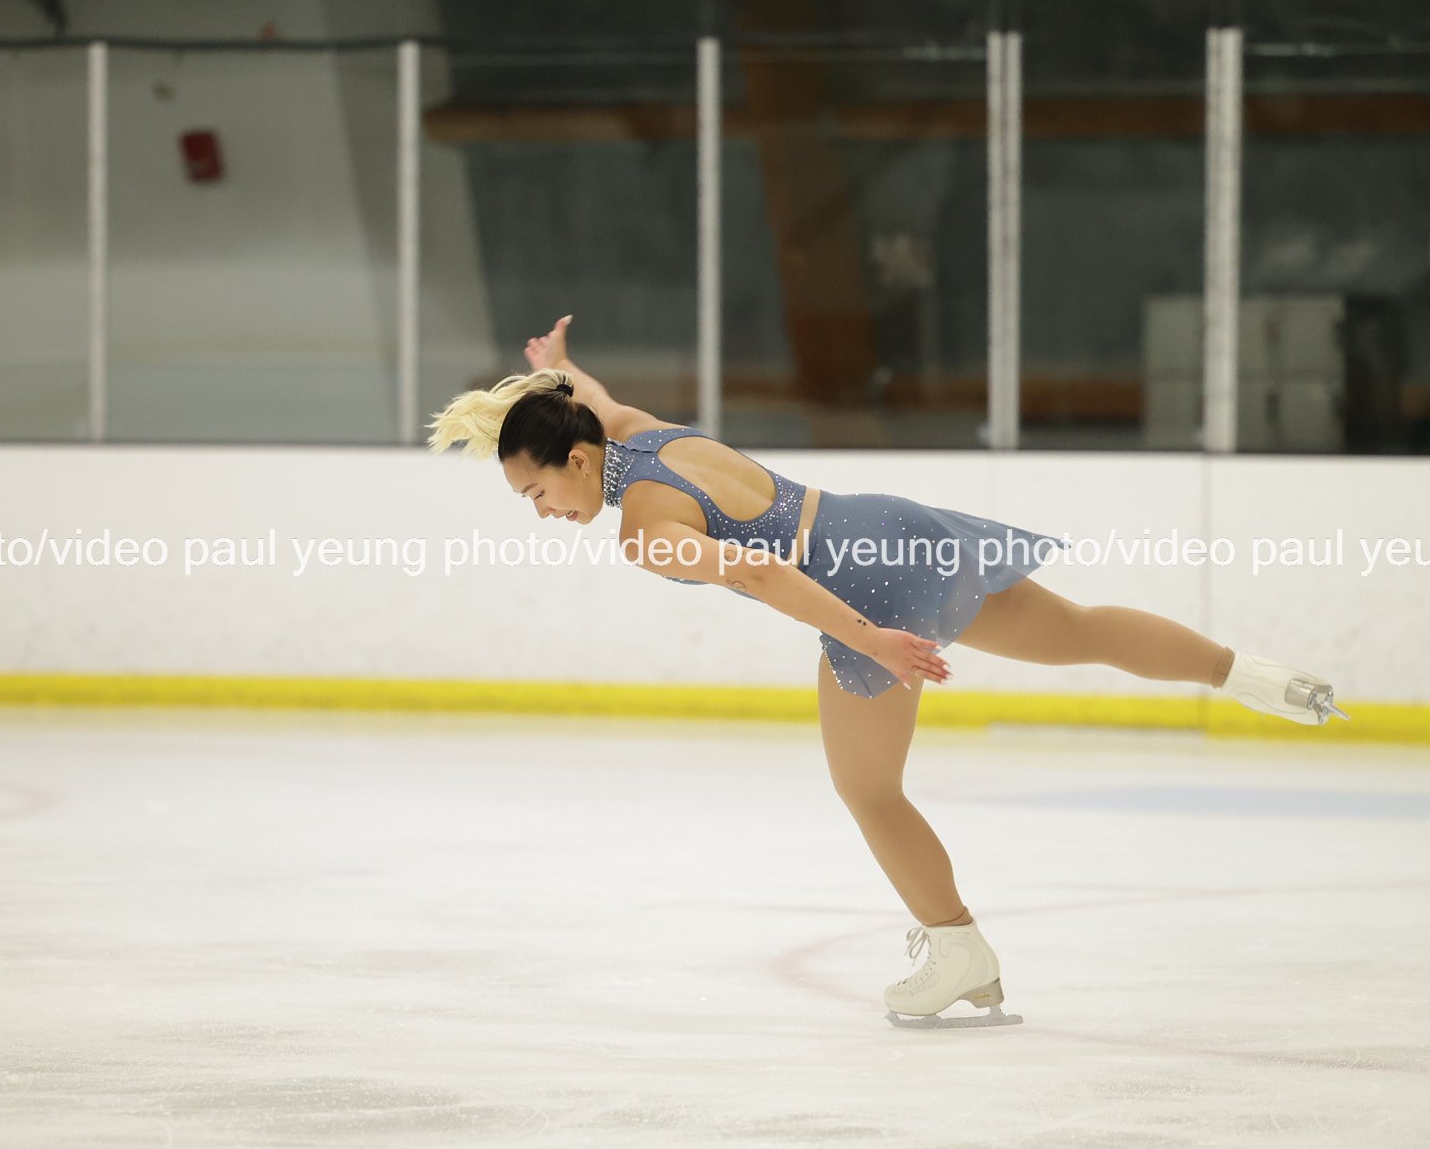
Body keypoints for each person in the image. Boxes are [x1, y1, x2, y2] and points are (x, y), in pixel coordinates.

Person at [427, 315, 1348, 1029]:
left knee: (868, 789)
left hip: (862, 587)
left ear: (576, 459)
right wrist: (558, 367)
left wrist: (868, 639)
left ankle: (958, 950)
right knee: (1078, 629)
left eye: (537, 492)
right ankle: (1253, 676)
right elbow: (587, 395)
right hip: (888, 524)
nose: (541, 512)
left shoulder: (644, 530)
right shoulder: (637, 433)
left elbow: (760, 572)